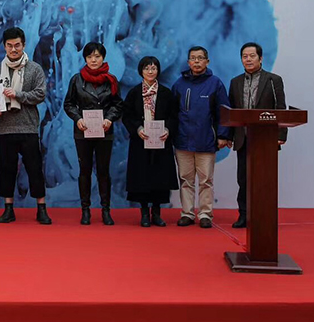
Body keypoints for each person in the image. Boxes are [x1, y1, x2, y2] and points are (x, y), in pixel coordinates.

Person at [0, 27, 51, 225]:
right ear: (4, 46)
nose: (14, 49)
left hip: (28, 127)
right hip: (5, 127)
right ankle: (8, 209)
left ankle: (41, 209)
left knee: (34, 169)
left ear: (24, 45)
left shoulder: (34, 69)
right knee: (6, 169)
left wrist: (18, 95)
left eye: (17, 45)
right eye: (9, 46)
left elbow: (40, 94)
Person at [62, 42, 124, 226]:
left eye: (97, 56)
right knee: (85, 171)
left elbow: (118, 104)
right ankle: (85, 210)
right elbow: (69, 104)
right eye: (90, 57)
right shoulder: (77, 79)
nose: (93, 60)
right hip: (83, 131)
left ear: (103, 58)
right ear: (85, 59)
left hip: (105, 131)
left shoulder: (111, 80)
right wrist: (77, 118)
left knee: (104, 171)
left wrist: (110, 118)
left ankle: (106, 210)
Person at [228, 42, 287, 229]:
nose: (248, 59)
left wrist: (281, 135)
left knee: (264, 180)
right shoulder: (235, 82)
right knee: (243, 179)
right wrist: (229, 136)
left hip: (265, 139)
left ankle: (263, 216)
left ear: (260, 58)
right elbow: (232, 112)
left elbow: (281, 108)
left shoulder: (273, 80)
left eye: (252, 56)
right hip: (243, 138)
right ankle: (244, 215)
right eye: (244, 56)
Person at [172, 46, 232, 228]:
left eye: (200, 58)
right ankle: (187, 213)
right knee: (186, 180)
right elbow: (172, 113)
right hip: (183, 141)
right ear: (188, 62)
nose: (196, 61)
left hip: (206, 140)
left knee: (206, 181)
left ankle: (205, 214)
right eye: (193, 58)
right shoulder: (179, 84)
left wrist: (222, 135)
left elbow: (223, 112)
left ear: (207, 61)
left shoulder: (215, 83)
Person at [122, 56, 179, 227]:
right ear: (141, 71)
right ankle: (144, 213)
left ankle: (157, 213)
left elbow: (174, 116)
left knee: (159, 177)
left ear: (158, 71)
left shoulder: (166, 93)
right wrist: (137, 129)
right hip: (141, 141)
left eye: (153, 68)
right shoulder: (134, 93)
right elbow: (127, 116)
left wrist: (168, 129)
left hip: (161, 141)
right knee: (142, 177)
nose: (150, 71)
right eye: (147, 68)